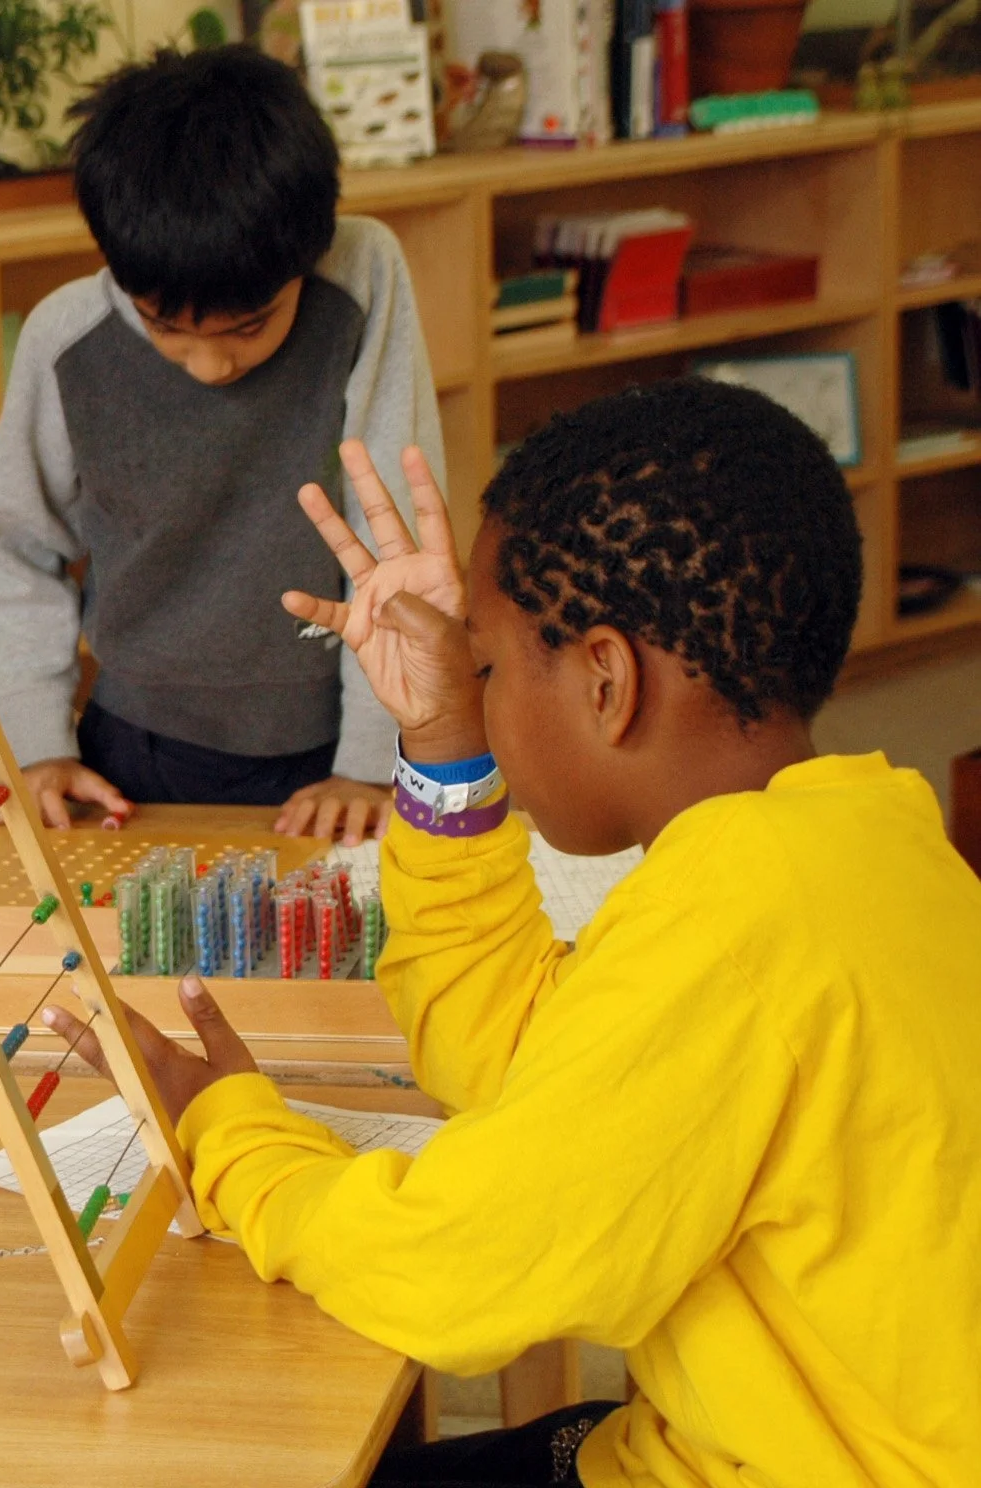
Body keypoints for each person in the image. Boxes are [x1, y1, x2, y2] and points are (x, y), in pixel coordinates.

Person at [48, 380, 981, 1486]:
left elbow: (460, 1275)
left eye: (483, 668)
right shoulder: (851, 837)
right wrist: (446, 736)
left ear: (606, 681)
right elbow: (533, 1058)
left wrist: (232, 1137)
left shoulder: (735, 933)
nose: (471, 692)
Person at [0, 44, 443, 843]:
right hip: (131, 753)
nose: (212, 363)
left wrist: (373, 761)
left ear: (306, 251)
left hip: (335, 746)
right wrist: (34, 748)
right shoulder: (65, 339)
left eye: (250, 326)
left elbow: (390, 534)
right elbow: (20, 552)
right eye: (165, 327)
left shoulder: (362, 278)